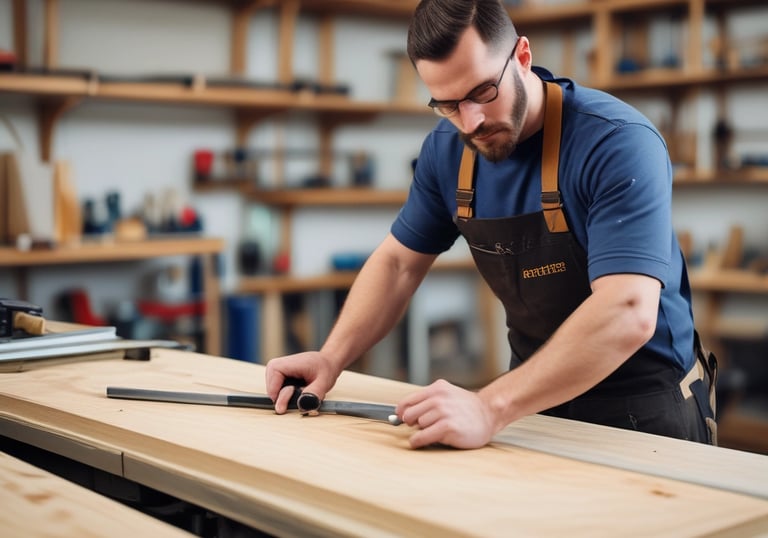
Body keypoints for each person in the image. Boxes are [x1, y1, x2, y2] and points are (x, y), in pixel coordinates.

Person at [266, 0, 717, 449]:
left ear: (523, 56)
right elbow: (398, 265)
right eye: (447, 104)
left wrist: (487, 407)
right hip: (533, 400)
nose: (471, 121)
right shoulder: (446, 151)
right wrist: (331, 357)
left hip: (645, 407)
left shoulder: (617, 143)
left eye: (482, 92)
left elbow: (628, 311)